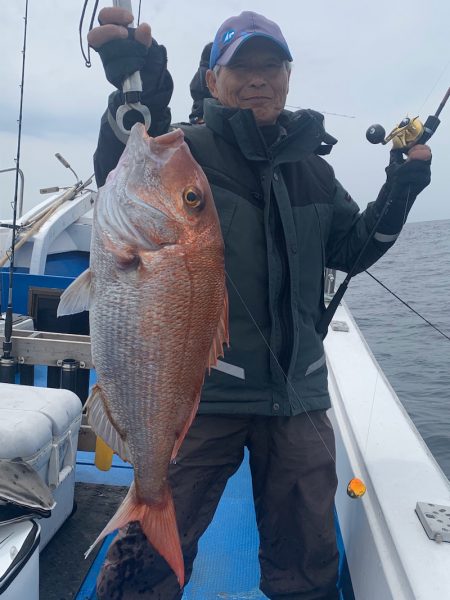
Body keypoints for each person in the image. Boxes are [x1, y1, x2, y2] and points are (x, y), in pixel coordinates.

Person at [88, 8, 432, 600]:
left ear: (289, 76)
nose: (257, 78)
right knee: (147, 558)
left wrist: (398, 192)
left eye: (270, 65)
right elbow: (126, 167)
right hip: (201, 392)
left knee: (307, 558)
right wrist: (131, 89)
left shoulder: (313, 172)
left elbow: (351, 250)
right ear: (213, 79)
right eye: (240, 66)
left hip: (296, 390)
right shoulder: (185, 155)